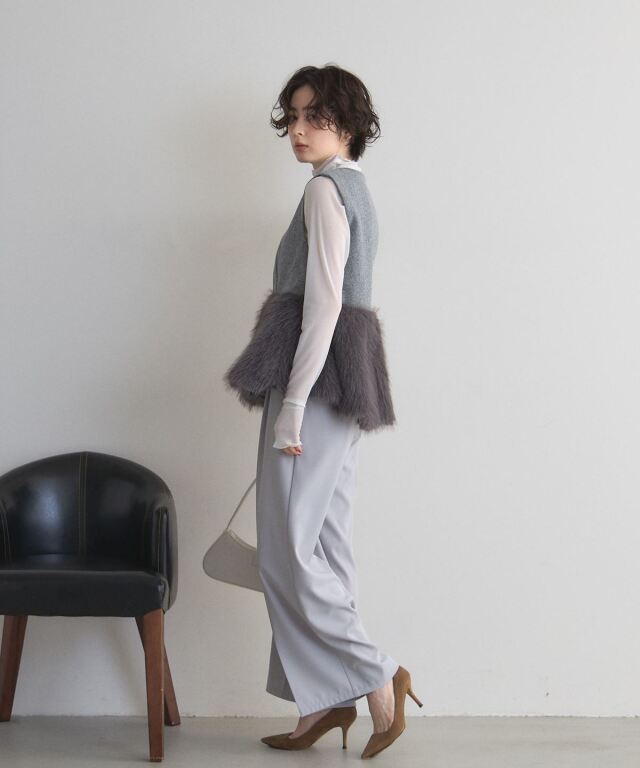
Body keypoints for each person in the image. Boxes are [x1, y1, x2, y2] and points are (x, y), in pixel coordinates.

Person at [223, 63, 422, 759]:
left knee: (287, 553)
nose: (300, 130)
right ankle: (323, 704)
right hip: (349, 384)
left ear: (349, 123)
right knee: (328, 548)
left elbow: (326, 303)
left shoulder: (322, 190)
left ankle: (375, 675)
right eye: (295, 117)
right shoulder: (356, 188)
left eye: (317, 117)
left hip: (314, 385)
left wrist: (293, 403)